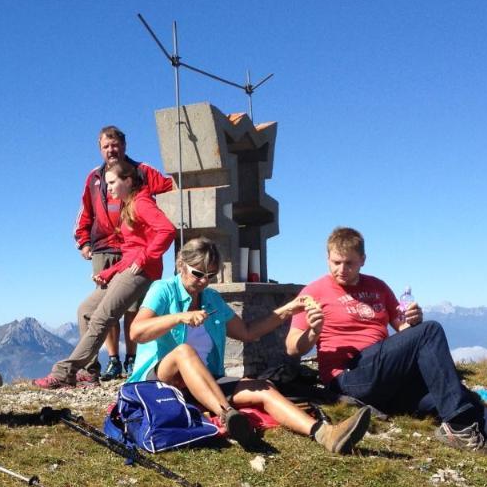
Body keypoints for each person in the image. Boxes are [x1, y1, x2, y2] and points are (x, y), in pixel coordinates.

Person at [285, 227, 487, 471]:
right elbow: (292, 348)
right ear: (327, 259)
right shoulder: (314, 292)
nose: (342, 269)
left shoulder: (378, 287)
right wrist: (314, 330)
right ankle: (458, 427)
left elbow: (403, 332)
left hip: (388, 377)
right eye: (335, 262)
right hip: (350, 375)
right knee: (431, 334)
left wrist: (412, 321)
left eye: (349, 263)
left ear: (363, 260)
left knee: (461, 396)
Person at [126, 237, 371, 453]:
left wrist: (288, 309)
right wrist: (179, 317)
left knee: (262, 387)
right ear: (181, 265)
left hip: (204, 382)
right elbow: (137, 332)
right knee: (184, 352)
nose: (203, 281)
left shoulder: (211, 298)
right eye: (197, 274)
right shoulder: (163, 290)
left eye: (210, 276)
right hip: (159, 381)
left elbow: (248, 332)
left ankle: (325, 433)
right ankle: (227, 415)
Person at [36, 158, 176, 388]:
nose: (108, 188)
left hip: (141, 272)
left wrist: (145, 258)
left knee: (102, 317)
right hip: (129, 268)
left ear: (128, 181)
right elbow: (132, 250)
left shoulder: (142, 203)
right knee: (86, 311)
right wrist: (110, 271)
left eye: (112, 183)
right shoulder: (130, 204)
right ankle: (88, 372)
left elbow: (167, 230)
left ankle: (64, 372)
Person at [73, 125, 174, 381]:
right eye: (106, 146)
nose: (111, 150)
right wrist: (83, 241)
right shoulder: (94, 178)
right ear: (100, 149)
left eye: (115, 144)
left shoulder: (140, 171)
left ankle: (131, 358)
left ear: (124, 145)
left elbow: (170, 187)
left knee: (132, 307)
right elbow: (86, 210)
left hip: (136, 249)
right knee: (105, 307)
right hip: (105, 247)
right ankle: (111, 361)